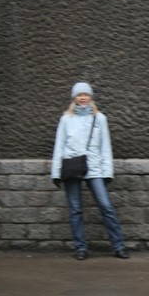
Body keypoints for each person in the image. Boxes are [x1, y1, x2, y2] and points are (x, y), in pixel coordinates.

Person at [51, 82, 129, 261]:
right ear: (74, 98)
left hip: (94, 168)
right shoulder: (66, 119)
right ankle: (80, 248)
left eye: (86, 94)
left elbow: (105, 147)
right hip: (72, 166)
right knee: (75, 209)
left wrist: (107, 172)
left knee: (106, 206)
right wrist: (56, 172)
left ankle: (118, 246)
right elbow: (59, 146)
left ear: (91, 97)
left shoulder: (100, 118)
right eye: (79, 95)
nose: (83, 97)